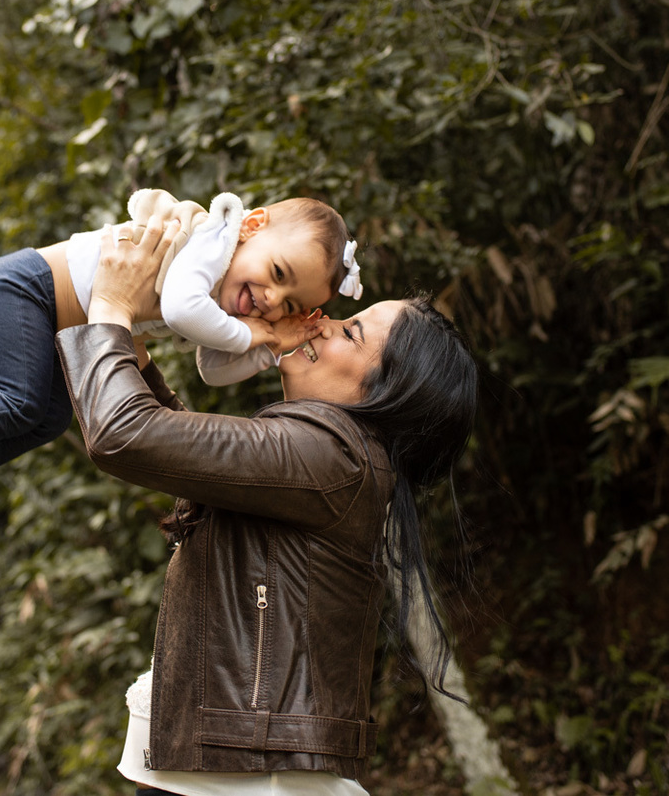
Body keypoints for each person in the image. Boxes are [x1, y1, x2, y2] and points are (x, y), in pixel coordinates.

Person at [54, 216, 478, 794]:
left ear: (385, 395)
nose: (321, 323)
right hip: (248, 761)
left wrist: (109, 304)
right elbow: (191, 460)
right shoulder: (335, 454)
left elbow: (123, 434)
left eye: (350, 332)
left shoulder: (335, 454)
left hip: (255, 768)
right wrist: (136, 356)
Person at [0, 189, 363, 556]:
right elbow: (183, 312)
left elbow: (214, 370)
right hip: (22, 290)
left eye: (288, 302)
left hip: (45, 318)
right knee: (21, 401)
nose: (271, 299)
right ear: (252, 228)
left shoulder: (227, 302)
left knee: (47, 420)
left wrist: (273, 347)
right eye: (277, 274)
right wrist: (260, 334)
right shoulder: (213, 240)